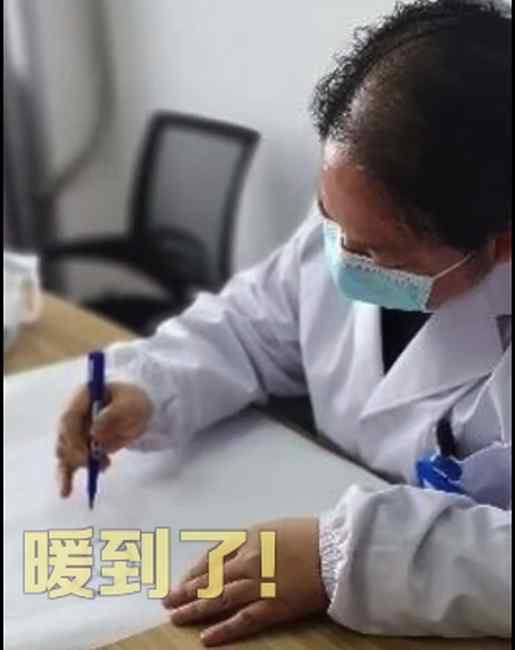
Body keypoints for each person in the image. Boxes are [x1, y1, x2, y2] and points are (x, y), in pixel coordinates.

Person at [55, 0, 512, 646]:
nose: (342, 256)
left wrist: (344, 559)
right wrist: (151, 384)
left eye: (376, 251)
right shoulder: (359, 214)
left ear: (501, 242)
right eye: (330, 217)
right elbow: (252, 323)